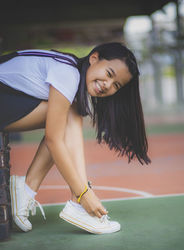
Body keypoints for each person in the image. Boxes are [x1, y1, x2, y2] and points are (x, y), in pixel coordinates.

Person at [0, 42, 150, 234]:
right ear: (94, 58)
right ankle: (75, 200)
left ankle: (32, 190)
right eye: (110, 74)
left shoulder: (69, 72)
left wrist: (82, 191)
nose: (108, 85)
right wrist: (84, 194)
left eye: (116, 85)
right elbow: (54, 141)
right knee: (68, 115)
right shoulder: (67, 73)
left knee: (70, 113)